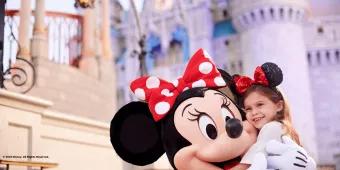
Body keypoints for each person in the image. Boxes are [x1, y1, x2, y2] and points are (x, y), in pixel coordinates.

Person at [229, 62, 316, 170]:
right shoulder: (283, 127)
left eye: (260, 105)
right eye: (248, 109)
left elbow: (254, 157)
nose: (254, 112)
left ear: (279, 106)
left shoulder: (272, 127)